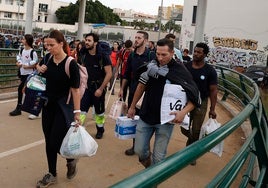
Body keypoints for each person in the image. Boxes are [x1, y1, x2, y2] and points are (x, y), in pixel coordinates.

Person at [127, 38, 200, 168]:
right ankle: (149, 170)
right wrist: (132, 107)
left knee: (159, 157)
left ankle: (152, 182)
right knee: (139, 151)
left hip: (166, 121)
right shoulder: (150, 67)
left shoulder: (180, 71)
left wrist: (183, 112)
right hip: (145, 115)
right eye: (158, 54)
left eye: (164, 54)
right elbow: (140, 87)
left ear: (172, 53)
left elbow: (195, 96)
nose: (160, 58)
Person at [35, 30, 81, 187]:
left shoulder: (71, 64)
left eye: (51, 45)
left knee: (55, 141)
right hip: (47, 105)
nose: (48, 48)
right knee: (49, 141)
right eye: (46, 44)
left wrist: (77, 112)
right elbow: (38, 67)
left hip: (63, 108)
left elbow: (75, 90)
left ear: (61, 44)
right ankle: (52, 173)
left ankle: (70, 158)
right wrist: (39, 68)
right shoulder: (47, 58)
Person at [119, 31, 156, 156]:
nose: (136, 40)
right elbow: (126, 73)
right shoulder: (132, 55)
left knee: (146, 120)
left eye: (139, 38)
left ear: (145, 41)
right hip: (133, 91)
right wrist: (122, 89)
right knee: (134, 118)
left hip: (148, 94)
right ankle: (135, 146)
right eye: (135, 37)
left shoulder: (151, 55)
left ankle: (146, 147)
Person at [181, 42, 218, 165]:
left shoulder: (210, 71)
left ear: (205, 54)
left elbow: (213, 91)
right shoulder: (186, 66)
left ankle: (191, 154)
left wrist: (212, 109)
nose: (195, 54)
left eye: (199, 52)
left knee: (196, 130)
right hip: (186, 101)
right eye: (195, 51)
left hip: (201, 103)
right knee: (184, 127)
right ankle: (190, 143)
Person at [79, 32, 112, 139]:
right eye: (86, 40)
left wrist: (101, 89)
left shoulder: (103, 57)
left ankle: (100, 129)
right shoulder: (84, 54)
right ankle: (78, 129)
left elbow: (109, 73)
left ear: (96, 43)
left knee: (99, 112)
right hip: (86, 88)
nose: (86, 42)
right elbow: (82, 70)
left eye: (89, 41)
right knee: (81, 110)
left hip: (98, 88)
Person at [9, 34, 38, 117]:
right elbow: (19, 57)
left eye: (24, 39)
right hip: (22, 73)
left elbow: (35, 63)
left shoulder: (33, 52)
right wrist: (18, 62)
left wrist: (28, 65)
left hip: (30, 74)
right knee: (28, 91)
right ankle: (31, 108)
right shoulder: (21, 49)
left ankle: (19, 108)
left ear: (28, 41)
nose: (22, 40)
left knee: (21, 89)